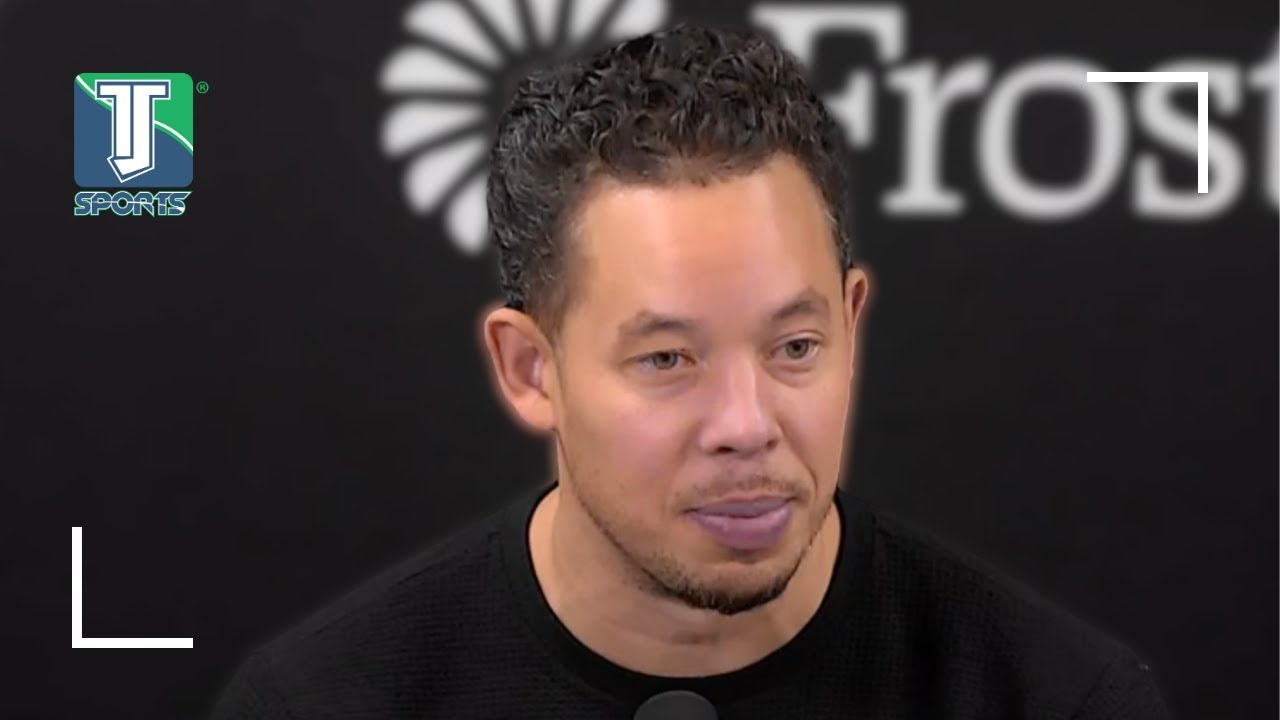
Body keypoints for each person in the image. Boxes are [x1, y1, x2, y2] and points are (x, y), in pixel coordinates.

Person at [208, 22, 1171, 719]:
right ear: (531, 368)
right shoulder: (323, 703)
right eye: (668, 359)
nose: (746, 426)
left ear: (851, 323)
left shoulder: (1053, 697)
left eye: (795, 348)